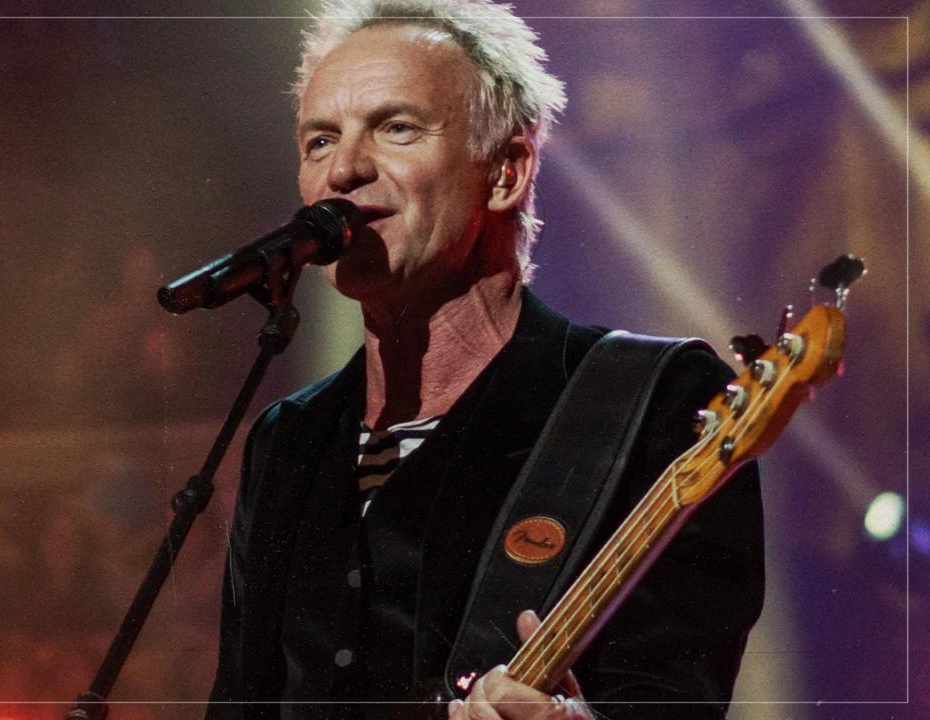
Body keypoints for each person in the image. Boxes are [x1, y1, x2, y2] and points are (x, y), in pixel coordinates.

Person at [206, 1, 764, 719]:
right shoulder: (289, 440)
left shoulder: (650, 402)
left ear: (505, 172)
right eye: (320, 140)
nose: (343, 169)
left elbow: (671, 698)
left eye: (396, 127)